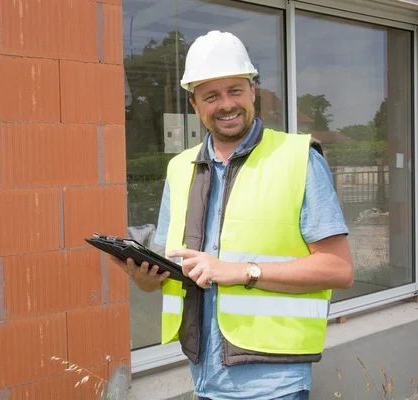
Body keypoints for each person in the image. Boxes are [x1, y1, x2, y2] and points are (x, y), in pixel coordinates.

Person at [113, 31, 354, 400]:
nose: (226, 104)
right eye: (211, 95)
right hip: (204, 377)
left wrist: (242, 271)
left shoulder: (299, 159)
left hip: (274, 384)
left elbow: (339, 269)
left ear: (253, 91)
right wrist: (147, 278)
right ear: (195, 105)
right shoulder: (180, 169)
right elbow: (169, 270)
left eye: (235, 90)